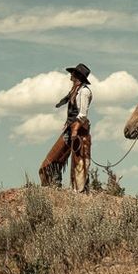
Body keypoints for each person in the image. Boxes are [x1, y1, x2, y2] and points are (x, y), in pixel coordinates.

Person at [39, 63, 92, 192]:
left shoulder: (84, 92)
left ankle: (81, 189)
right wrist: (68, 123)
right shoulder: (75, 90)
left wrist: (74, 129)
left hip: (79, 131)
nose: (70, 75)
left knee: (79, 162)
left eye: (73, 73)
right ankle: (54, 185)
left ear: (77, 76)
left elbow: (83, 114)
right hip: (71, 128)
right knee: (56, 157)